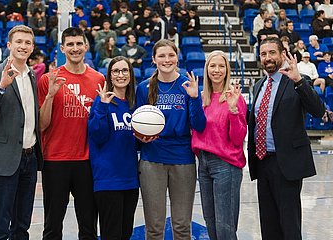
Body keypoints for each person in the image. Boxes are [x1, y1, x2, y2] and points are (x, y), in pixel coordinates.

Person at [248, 37, 325, 240]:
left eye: (272, 52)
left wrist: (299, 80)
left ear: (283, 54)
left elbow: (318, 110)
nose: (267, 58)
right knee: (268, 223)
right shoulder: (258, 86)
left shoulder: (298, 80)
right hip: (262, 162)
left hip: (287, 164)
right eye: (263, 54)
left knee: (289, 225)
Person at [0, 25, 43, 240]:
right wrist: (2, 86)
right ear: (9, 45)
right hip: (5, 159)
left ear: (32, 47)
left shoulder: (32, 75)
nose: (23, 46)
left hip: (29, 158)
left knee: (22, 224)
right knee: (0, 225)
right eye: (19, 42)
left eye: (27, 43)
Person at [38, 27, 105, 240]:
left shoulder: (99, 79)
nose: (75, 48)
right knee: (52, 225)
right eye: (70, 44)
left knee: (88, 225)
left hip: (87, 160)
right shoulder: (48, 79)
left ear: (86, 46)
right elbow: (41, 125)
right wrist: (49, 97)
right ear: (62, 48)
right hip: (55, 160)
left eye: (79, 44)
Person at [135, 39, 206, 240]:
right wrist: (141, 137)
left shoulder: (187, 84)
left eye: (171, 55)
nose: (167, 60)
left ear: (177, 57)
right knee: (154, 226)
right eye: (162, 56)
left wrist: (194, 98)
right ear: (154, 59)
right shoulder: (144, 88)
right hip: (152, 159)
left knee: (182, 226)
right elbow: (137, 126)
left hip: (183, 159)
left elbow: (199, 126)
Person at [191, 51, 247, 240]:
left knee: (225, 226)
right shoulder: (201, 98)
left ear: (227, 70)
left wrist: (233, 110)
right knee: (211, 221)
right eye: (212, 66)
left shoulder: (234, 97)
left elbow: (239, 138)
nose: (216, 70)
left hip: (226, 165)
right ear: (206, 69)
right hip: (204, 164)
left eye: (221, 66)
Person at [88, 56, 139, 240]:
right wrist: (102, 107)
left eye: (125, 70)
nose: (120, 75)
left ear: (130, 75)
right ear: (109, 76)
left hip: (131, 180)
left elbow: (138, 141)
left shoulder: (135, 104)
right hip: (108, 179)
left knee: (126, 234)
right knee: (111, 234)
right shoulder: (101, 101)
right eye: (115, 71)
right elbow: (97, 136)